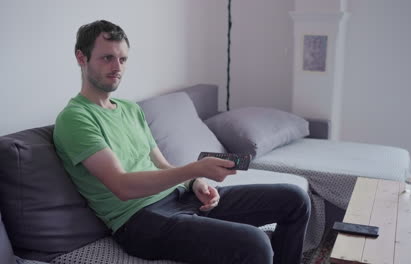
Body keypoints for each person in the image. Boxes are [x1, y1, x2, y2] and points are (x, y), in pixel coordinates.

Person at [53, 20, 311, 264]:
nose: (117, 67)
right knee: (254, 243)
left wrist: (194, 182)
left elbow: (162, 164)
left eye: (122, 59)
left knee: (294, 199)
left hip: (180, 198)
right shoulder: (75, 118)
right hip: (140, 220)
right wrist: (195, 169)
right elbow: (122, 187)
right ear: (81, 58)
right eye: (107, 58)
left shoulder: (130, 109)